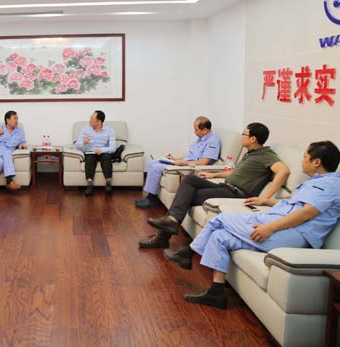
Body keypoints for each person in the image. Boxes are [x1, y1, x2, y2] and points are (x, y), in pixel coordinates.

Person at [163, 141, 340, 309]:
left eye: (305, 157)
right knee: (219, 236)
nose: (302, 161)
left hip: (293, 234)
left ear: (317, 162)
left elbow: (306, 213)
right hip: (282, 225)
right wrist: (267, 201)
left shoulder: (330, 184)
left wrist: (270, 228)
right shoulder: (316, 182)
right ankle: (217, 293)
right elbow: (294, 206)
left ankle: (188, 254)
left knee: (221, 219)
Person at [139, 122, 290, 249]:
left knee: (186, 196)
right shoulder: (250, 153)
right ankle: (171, 221)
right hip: (225, 186)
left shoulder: (266, 155)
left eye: (244, 134)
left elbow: (283, 171)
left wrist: (265, 198)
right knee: (190, 179)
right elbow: (236, 173)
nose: (241, 137)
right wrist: (214, 175)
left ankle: (163, 235)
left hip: (236, 193)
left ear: (253, 139)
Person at [135, 116, 221, 208]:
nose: (194, 132)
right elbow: (190, 155)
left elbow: (203, 163)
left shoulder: (213, 141)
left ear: (205, 130)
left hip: (189, 167)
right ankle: (150, 196)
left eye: (196, 130)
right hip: (184, 163)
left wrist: (182, 163)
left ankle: (152, 199)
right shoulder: (200, 138)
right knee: (152, 163)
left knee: (156, 167)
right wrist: (175, 159)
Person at [74, 110, 117, 195]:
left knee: (106, 157)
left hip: (104, 152)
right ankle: (90, 185)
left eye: (92, 119)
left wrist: (102, 150)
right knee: (89, 158)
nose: (89, 120)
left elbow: (113, 147)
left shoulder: (109, 130)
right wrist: (83, 142)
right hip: (91, 151)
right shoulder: (86, 129)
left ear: (99, 121)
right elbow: (76, 145)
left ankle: (108, 183)